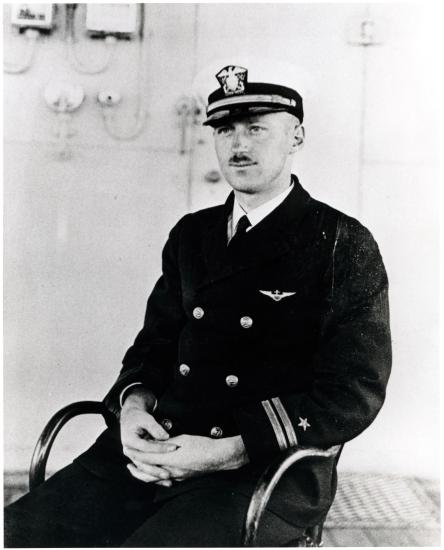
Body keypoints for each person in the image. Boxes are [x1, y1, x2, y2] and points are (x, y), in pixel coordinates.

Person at [4, 61, 392, 547]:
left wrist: (226, 451)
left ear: (296, 137)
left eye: (256, 128)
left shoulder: (340, 242)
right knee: (21, 534)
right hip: (155, 451)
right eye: (226, 129)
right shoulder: (193, 234)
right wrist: (132, 412)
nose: (239, 144)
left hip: (257, 473)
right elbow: (154, 345)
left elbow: (354, 392)